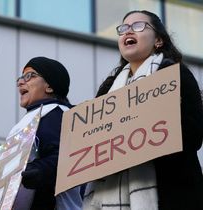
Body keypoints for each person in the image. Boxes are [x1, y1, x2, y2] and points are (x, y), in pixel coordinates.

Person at [83, 10, 203, 210]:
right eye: (123, 29)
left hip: (171, 192)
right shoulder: (109, 87)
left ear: (158, 40)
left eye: (138, 26)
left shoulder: (175, 75)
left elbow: (194, 135)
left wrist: (144, 145)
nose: (128, 31)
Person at [10, 56, 83, 210]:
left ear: (49, 86)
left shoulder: (56, 113)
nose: (21, 82)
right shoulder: (34, 117)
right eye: (21, 78)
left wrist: (38, 170)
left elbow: (67, 157)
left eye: (30, 76)